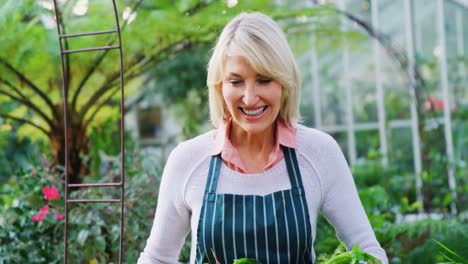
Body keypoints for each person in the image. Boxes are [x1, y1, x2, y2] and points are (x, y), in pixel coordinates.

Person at [138, 12, 388, 264]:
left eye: (263, 80)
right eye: (236, 82)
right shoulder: (188, 159)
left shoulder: (319, 152)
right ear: (219, 87)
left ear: (284, 83)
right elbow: (156, 259)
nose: (249, 97)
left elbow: (370, 254)